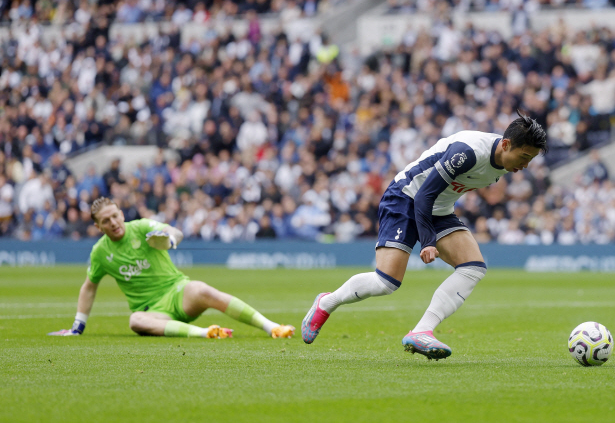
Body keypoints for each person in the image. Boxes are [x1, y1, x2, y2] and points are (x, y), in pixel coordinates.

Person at [301, 111, 547, 359]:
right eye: (524, 157)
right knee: (386, 282)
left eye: (531, 160)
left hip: (438, 208)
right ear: (505, 144)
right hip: (406, 198)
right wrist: (428, 242)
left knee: (473, 267)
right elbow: (423, 196)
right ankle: (326, 303)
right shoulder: (468, 152)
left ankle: (421, 331)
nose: (525, 165)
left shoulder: (506, 162)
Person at [49, 197, 295, 339]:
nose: (113, 223)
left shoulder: (142, 226)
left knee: (202, 289)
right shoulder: (100, 252)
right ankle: (205, 333)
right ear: (97, 227)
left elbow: (173, 231)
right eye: (106, 221)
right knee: (135, 321)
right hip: (154, 312)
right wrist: (77, 327)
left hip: (178, 293)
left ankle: (271, 327)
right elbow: (89, 287)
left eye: (115, 216)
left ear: (122, 214)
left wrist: (170, 239)